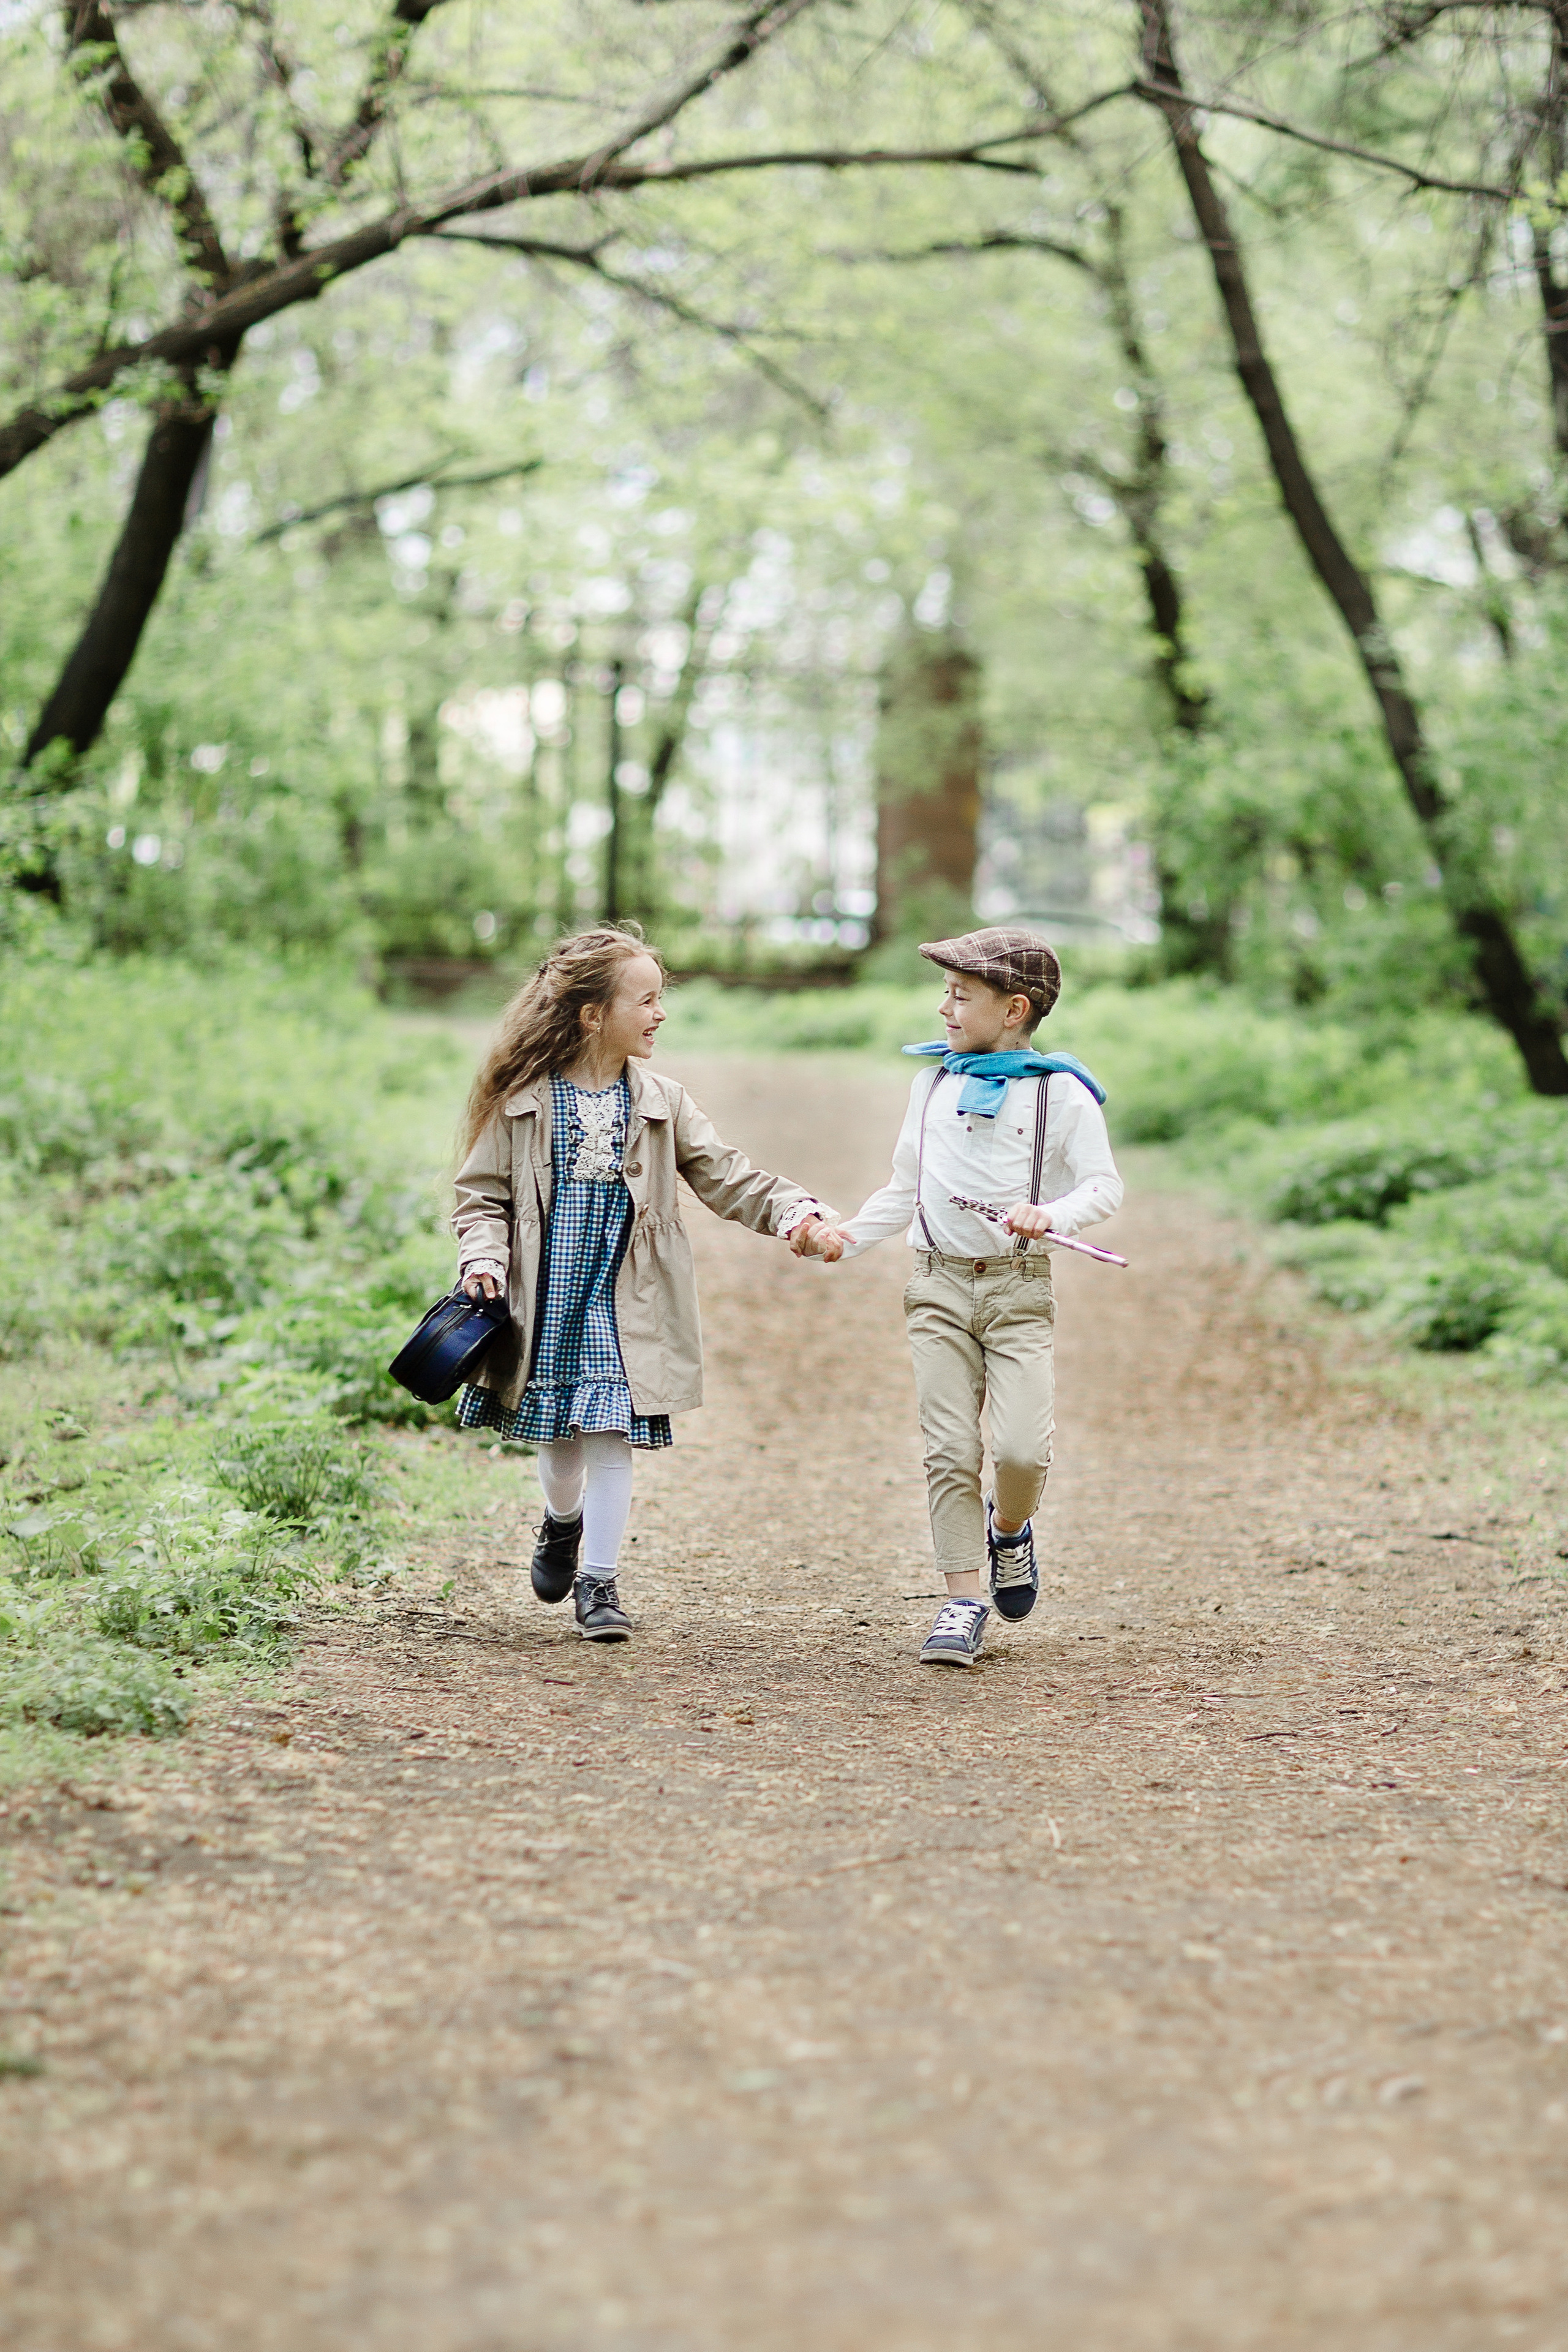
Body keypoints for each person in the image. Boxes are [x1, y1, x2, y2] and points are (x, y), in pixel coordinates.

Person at [453, 925, 835, 1642]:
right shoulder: (524, 1100)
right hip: (547, 1292)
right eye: (647, 1000)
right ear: (593, 1014)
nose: (661, 1014)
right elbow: (481, 1197)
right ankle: (562, 1524)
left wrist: (794, 1213)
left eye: (662, 1000)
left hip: (625, 1294)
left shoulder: (662, 1102)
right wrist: (484, 1260)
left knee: (609, 1431)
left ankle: (598, 1583)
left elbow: (727, 1174)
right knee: (559, 1441)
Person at [794, 927, 1123, 1668]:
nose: (943, 1007)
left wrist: (1053, 1214)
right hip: (936, 1285)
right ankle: (961, 1601)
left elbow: (1104, 1186)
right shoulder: (932, 1083)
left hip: (1017, 1291)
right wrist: (847, 1235)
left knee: (1018, 1452)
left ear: (1014, 1009)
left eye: (959, 995)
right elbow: (907, 1186)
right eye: (944, 992)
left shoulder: (1058, 1092)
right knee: (948, 1449)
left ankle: (1009, 1529)